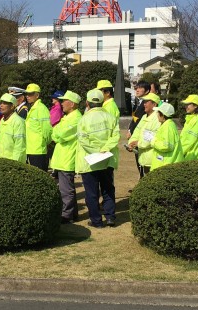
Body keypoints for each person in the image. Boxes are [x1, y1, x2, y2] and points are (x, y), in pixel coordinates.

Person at [77, 89, 120, 228]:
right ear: (102, 102)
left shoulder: (84, 119)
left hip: (90, 161)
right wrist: (104, 150)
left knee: (91, 193)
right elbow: (116, 136)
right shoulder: (111, 117)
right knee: (108, 189)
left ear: (87, 103)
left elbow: (83, 140)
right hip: (107, 159)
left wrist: (96, 152)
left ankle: (96, 221)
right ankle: (110, 217)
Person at [50, 90, 83, 223]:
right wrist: (56, 133)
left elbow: (60, 135)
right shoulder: (68, 117)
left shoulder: (76, 118)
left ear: (73, 104)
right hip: (62, 157)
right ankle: (72, 214)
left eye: (64, 101)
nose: (62, 103)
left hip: (67, 157)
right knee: (67, 188)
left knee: (66, 190)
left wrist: (56, 133)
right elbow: (56, 132)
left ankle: (67, 215)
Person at [127, 93, 161, 178]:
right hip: (143, 158)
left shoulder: (157, 118)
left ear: (154, 104)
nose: (144, 104)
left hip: (152, 160)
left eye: (146, 102)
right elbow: (137, 131)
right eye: (144, 102)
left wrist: (138, 143)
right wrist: (131, 142)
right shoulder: (144, 117)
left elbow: (153, 138)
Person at [24, 83, 52, 171]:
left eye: (31, 94)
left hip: (38, 150)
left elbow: (47, 130)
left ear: (37, 95)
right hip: (31, 149)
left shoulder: (41, 109)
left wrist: (44, 143)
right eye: (27, 94)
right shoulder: (32, 108)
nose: (28, 96)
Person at [149, 102, 183, 169]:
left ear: (163, 115)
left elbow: (166, 146)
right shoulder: (167, 125)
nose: (157, 115)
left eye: (158, 113)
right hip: (164, 163)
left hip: (166, 165)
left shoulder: (167, 127)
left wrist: (152, 140)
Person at [0, 93, 26, 163]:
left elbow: (20, 147)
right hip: (1, 162)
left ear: (12, 106)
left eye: (5, 103)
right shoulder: (2, 120)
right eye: (0, 103)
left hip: (12, 164)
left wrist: (15, 165)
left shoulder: (18, 122)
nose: (1, 105)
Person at [179, 94, 198, 161]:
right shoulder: (189, 119)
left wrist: (178, 152)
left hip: (194, 157)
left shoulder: (197, 121)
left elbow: (190, 141)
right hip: (188, 156)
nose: (186, 106)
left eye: (188, 104)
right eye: (186, 104)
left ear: (196, 106)